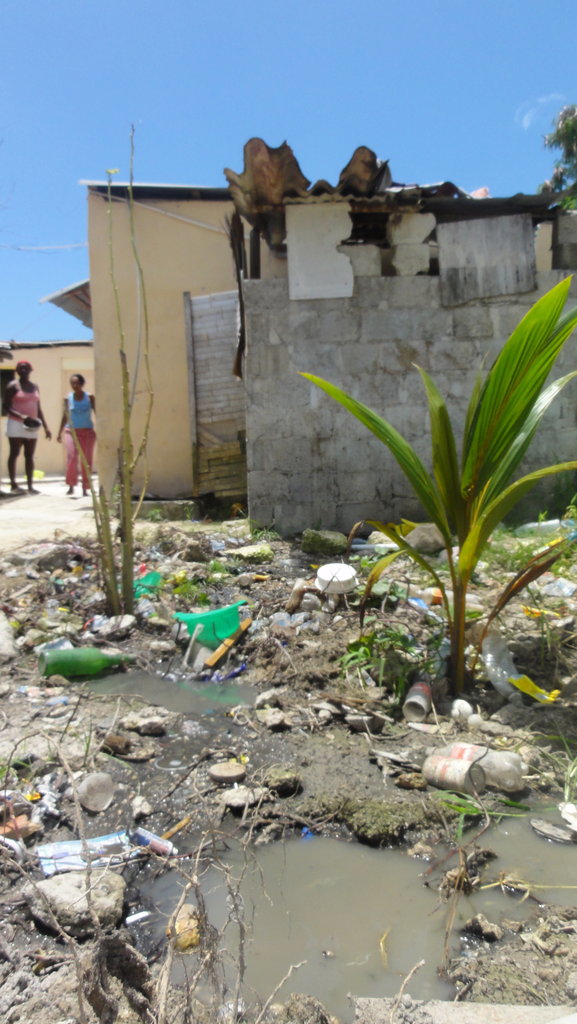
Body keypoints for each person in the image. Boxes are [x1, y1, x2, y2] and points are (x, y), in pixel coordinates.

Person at [2, 360, 51, 494]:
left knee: (29, 455)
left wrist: (46, 427)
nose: (23, 371)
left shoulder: (35, 387)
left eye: (26, 368)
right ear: (17, 371)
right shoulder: (12, 386)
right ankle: (13, 484)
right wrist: (20, 416)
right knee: (14, 453)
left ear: (30, 370)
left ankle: (30, 486)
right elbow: (6, 406)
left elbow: (38, 408)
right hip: (16, 424)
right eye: (20, 368)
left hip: (32, 425)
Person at [57, 374, 96, 496]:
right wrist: (59, 432)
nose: (75, 386)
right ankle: (71, 485)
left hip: (87, 432)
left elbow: (97, 412)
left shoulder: (90, 397)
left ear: (82, 384)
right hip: (71, 431)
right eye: (72, 383)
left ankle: (86, 487)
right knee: (72, 457)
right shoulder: (67, 398)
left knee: (86, 460)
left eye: (77, 383)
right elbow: (65, 416)